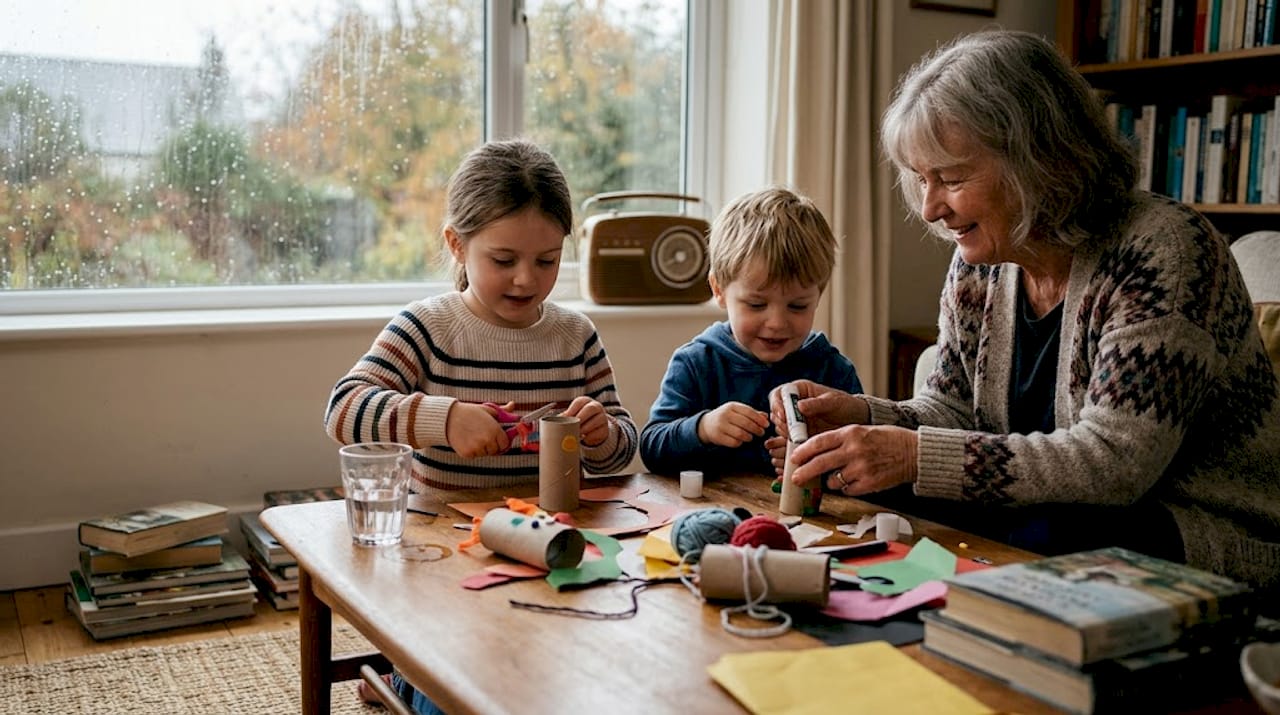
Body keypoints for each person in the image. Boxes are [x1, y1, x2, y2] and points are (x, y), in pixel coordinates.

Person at [770, 30, 1280, 603]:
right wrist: (861, 416)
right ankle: (894, 619)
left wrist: (911, 454)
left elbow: (1115, 464)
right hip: (1064, 511)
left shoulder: (1164, 251)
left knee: (1044, 533)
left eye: (952, 178)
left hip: (1195, 526)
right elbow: (953, 409)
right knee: (878, 493)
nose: (933, 209)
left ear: (1040, 159)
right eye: (921, 179)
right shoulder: (983, 260)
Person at [324, 138, 638, 713]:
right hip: (446, 560)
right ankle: (401, 675)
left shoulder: (576, 337)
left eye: (546, 261)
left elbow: (622, 447)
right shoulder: (427, 327)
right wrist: (440, 419)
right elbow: (343, 409)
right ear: (456, 244)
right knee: (457, 690)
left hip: (552, 548)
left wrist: (603, 433)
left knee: (593, 674)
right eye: (503, 260)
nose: (525, 279)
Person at [640, 186, 862, 478]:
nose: (777, 323)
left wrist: (817, 460)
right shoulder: (696, 363)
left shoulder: (833, 371)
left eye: (797, 306)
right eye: (756, 304)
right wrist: (703, 428)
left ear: (818, 297)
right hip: (713, 516)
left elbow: (860, 459)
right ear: (718, 290)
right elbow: (652, 448)